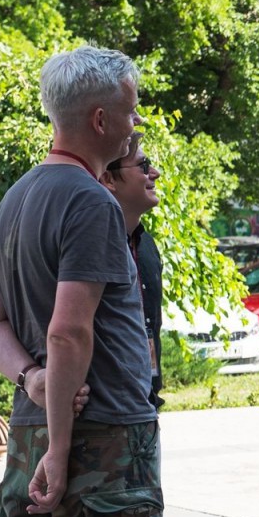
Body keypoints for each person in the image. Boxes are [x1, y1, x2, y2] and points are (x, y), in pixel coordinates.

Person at [0, 45, 163, 517]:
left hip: (30, 435)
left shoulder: (16, 197)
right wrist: (60, 446)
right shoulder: (90, 200)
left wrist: (30, 379)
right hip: (97, 440)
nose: (136, 123)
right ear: (101, 120)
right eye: (131, 111)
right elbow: (67, 333)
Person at [101, 131, 166, 408]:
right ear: (109, 179)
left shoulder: (146, 245)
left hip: (146, 401)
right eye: (143, 165)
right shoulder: (94, 244)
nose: (155, 173)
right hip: (109, 409)